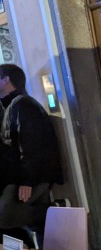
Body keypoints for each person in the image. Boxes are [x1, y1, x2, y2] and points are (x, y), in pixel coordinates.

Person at [0, 64, 63, 238]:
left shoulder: (24, 105)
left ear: (6, 80)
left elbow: (32, 145)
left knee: (4, 216)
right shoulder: (9, 106)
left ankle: (55, 210)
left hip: (35, 176)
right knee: (40, 229)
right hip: (21, 176)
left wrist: (27, 181)